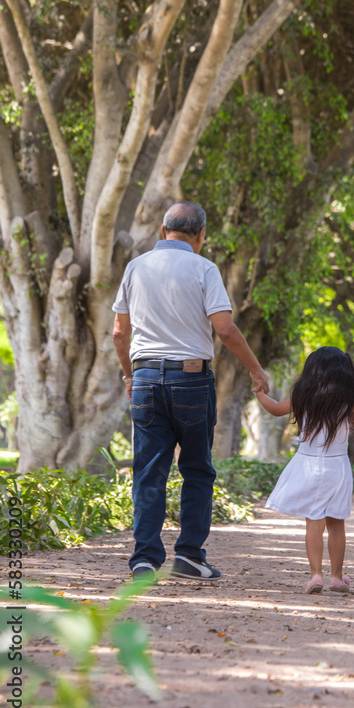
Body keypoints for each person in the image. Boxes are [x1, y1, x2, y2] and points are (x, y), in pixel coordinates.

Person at [112, 201, 269, 582]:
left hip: (146, 379)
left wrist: (129, 376)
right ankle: (189, 557)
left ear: (163, 230)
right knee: (197, 469)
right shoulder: (204, 268)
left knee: (149, 472)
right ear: (200, 235)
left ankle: (144, 559)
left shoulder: (136, 267)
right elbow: (226, 329)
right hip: (191, 381)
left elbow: (119, 332)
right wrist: (255, 369)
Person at [254, 346, 354, 595]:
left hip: (309, 464)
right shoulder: (348, 403)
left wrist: (259, 393)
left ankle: (316, 576)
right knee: (336, 523)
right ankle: (336, 577)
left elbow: (274, 408)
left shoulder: (302, 397)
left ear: (311, 371)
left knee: (314, 523)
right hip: (337, 468)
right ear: (345, 373)